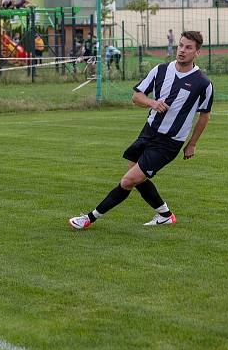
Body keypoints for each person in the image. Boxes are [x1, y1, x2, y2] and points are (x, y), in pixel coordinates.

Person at [69, 30, 213, 229]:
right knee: (136, 176)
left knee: (129, 180)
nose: (182, 51)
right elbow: (137, 97)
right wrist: (152, 103)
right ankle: (165, 214)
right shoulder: (160, 70)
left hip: (169, 142)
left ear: (197, 52)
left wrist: (192, 144)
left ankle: (88, 218)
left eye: (188, 47)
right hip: (148, 132)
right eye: (180, 45)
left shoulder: (203, 83)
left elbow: (204, 115)